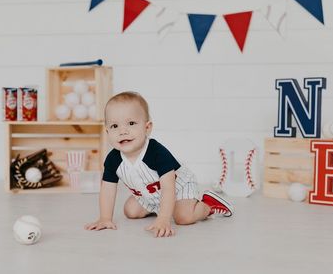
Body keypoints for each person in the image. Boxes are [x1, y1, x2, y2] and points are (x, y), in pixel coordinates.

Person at [84, 91, 233, 237]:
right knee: (130, 211)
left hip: (178, 187)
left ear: (147, 128)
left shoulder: (156, 152)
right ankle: (161, 208)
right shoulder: (113, 159)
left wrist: (163, 219)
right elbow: (107, 189)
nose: (123, 131)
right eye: (115, 126)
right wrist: (105, 218)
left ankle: (209, 205)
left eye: (131, 123)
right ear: (107, 131)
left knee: (183, 217)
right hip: (150, 194)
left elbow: (168, 188)